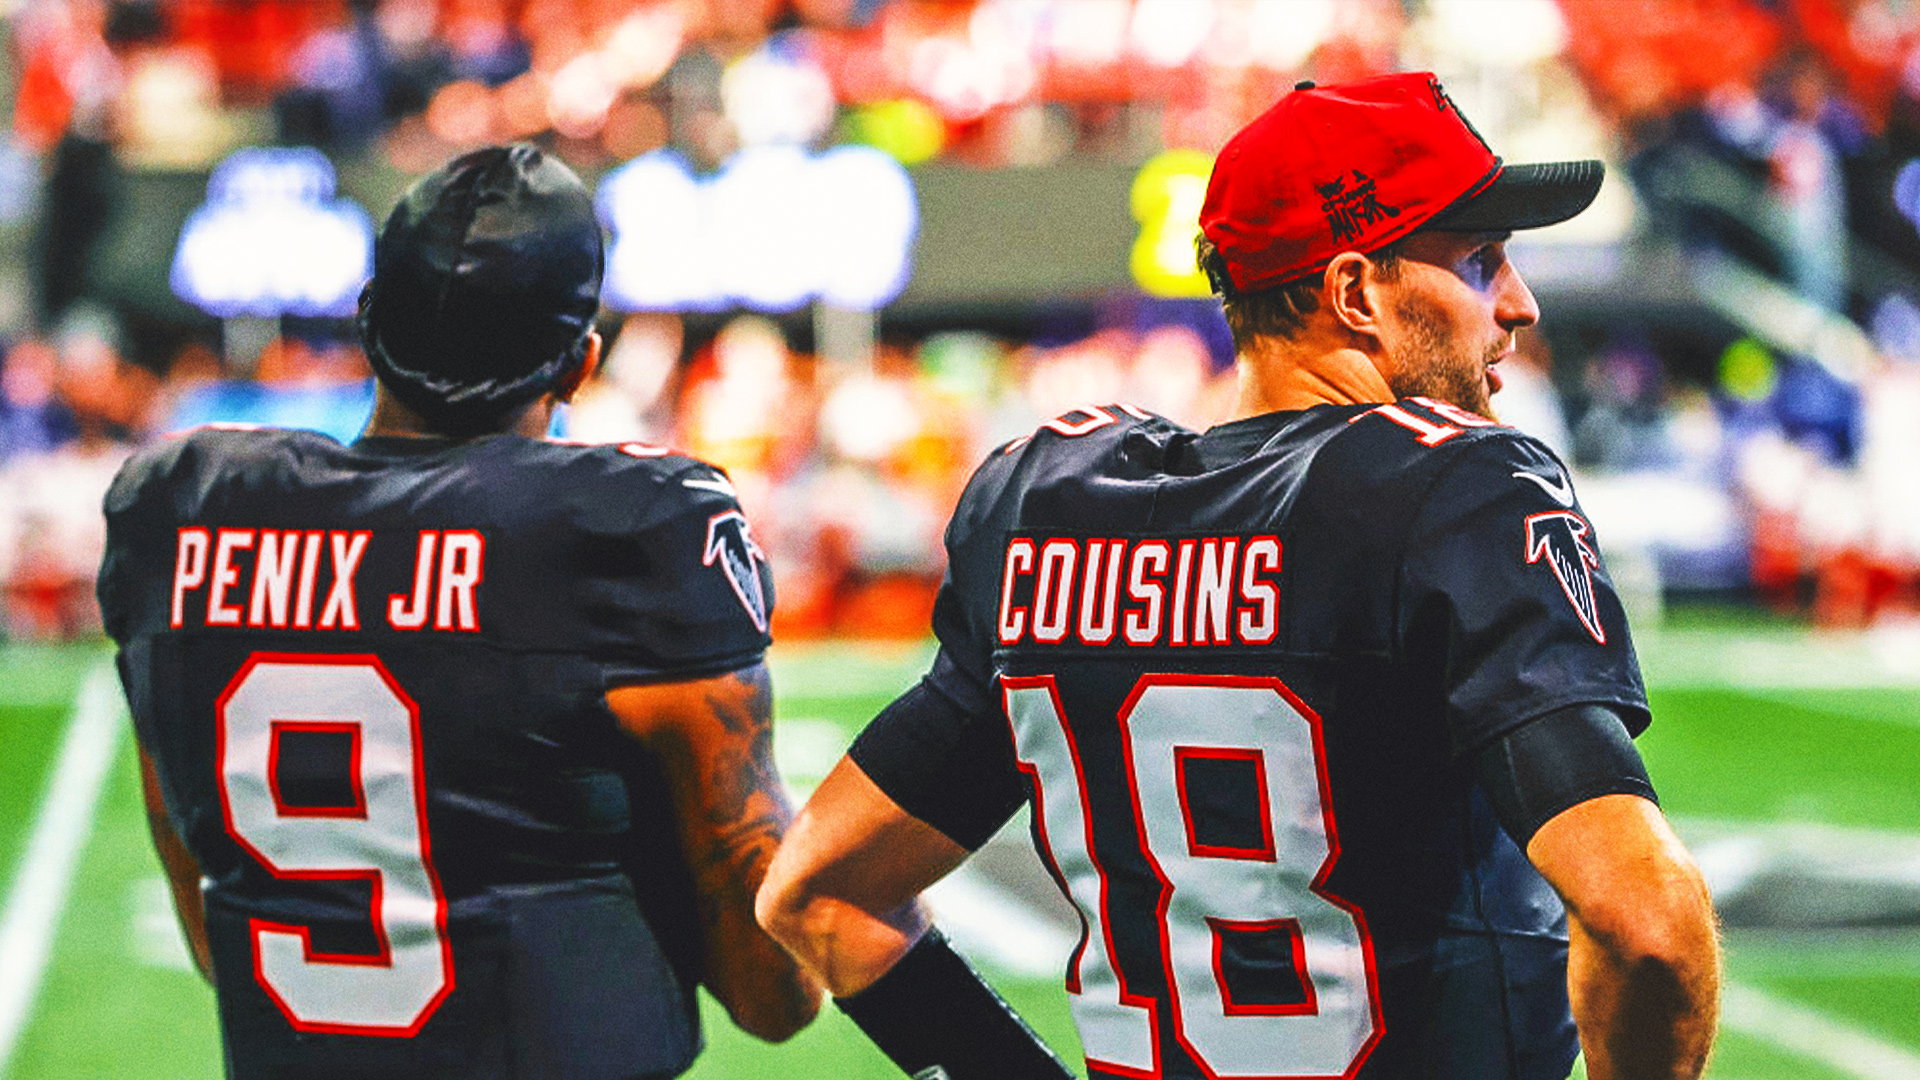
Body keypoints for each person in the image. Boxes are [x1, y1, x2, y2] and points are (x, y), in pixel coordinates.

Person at [758, 73, 1720, 1080]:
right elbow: (1648, 925)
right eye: (1479, 261)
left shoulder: (1048, 509)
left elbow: (819, 894)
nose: (1518, 305)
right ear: (1355, 293)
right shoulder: (1450, 489)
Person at [99, 144, 820, 1080]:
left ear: (368, 324)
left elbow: (209, 920)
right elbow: (774, 990)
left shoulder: (179, 507)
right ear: (581, 365)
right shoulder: (628, 529)